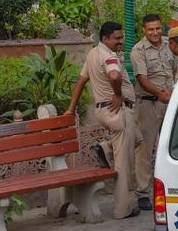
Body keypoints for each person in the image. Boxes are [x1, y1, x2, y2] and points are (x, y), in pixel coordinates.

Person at [66, 22, 143, 219]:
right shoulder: (109, 56)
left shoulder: (93, 54)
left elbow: (81, 81)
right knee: (122, 166)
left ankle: (105, 148)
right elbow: (115, 76)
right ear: (105, 38)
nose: (121, 41)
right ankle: (122, 210)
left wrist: (70, 109)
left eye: (121, 37)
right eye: (117, 38)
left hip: (104, 112)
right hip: (117, 112)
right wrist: (118, 95)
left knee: (139, 139)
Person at [129, 14, 177, 211]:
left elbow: (174, 70)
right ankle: (142, 192)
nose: (155, 32)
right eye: (151, 29)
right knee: (145, 149)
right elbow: (142, 79)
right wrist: (160, 94)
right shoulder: (138, 51)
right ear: (144, 30)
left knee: (174, 146)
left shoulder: (168, 45)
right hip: (149, 103)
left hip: (170, 101)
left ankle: (173, 188)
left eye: (158, 28)